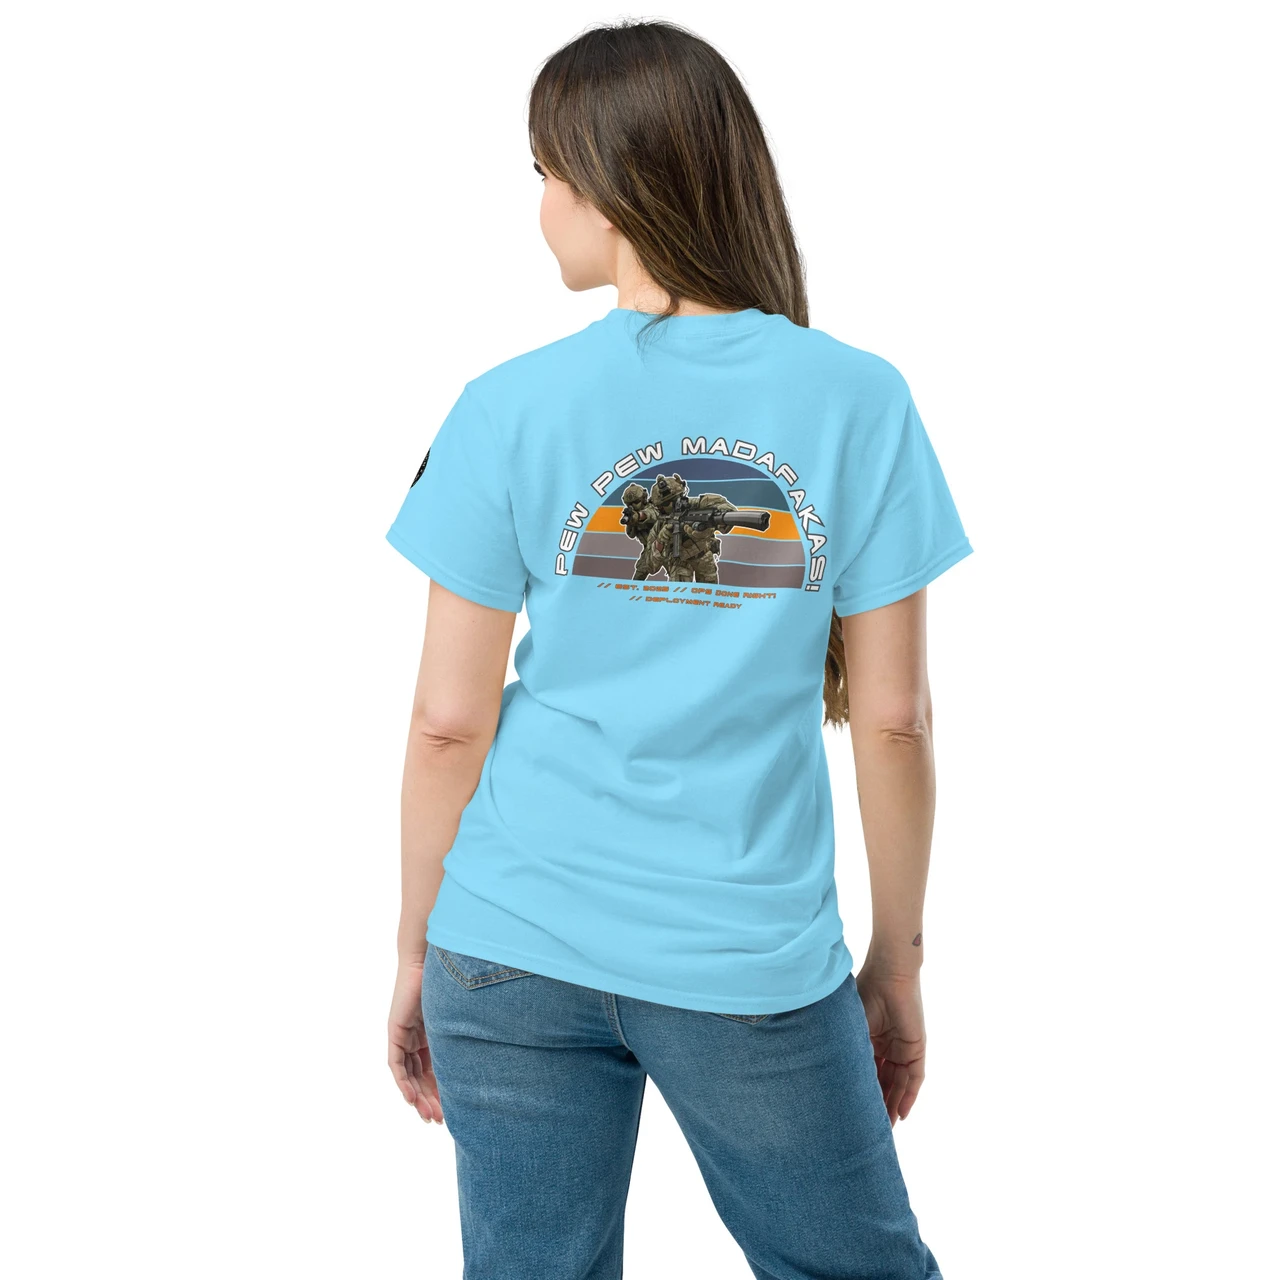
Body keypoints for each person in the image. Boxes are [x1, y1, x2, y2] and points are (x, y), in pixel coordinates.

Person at [385, 20, 971, 1280]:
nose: (538, 206)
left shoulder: (507, 405)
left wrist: (414, 947)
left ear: (605, 187)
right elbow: (893, 719)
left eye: (543, 172)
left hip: (508, 943)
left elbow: (445, 722)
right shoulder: (857, 398)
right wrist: (897, 961)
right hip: (745, 957)